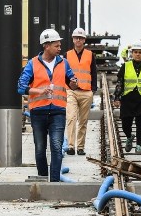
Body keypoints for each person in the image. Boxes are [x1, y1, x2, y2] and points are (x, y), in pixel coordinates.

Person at [17, 28, 79, 181]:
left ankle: (55, 181)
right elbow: (20, 87)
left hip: (58, 111)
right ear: (46, 46)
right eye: (57, 46)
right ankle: (43, 178)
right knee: (40, 149)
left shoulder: (64, 63)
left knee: (57, 147)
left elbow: (73, 85)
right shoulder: (32, 64)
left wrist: (74, 83)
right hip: (38, 112)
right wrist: (39, 91)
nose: (60, 48)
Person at [65, 27, 97, 156]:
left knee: (83, 120)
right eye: (76, 37)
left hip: (86, 92)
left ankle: (81, 147)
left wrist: (93, 90)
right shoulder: (67, 55)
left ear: (84, 40)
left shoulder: (90, 55)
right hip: (71, 91)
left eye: (81, 38)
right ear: (73, 39)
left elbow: (94, 72)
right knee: (71, 118)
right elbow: (63, 73)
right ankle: (71, 146)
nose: (78, 40)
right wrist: (67, 86)